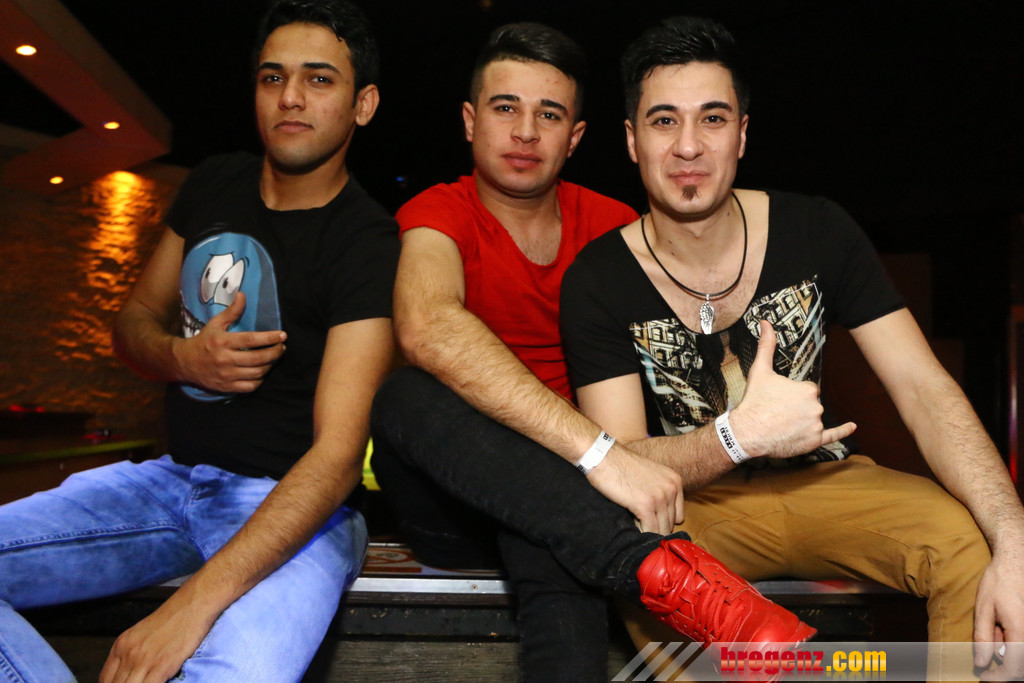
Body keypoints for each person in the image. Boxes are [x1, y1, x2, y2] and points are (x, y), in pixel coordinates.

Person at [559, 15, 1024, 680]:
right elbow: (623, 459)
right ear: (632, 140)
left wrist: (1015, 534)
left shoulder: (816, 229)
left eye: (713, 118)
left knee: (968, 546)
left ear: (742, 133)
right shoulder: (599, 277)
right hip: (696, 506)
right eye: (664, 121)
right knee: (637, 559)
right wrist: (737, 436)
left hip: (827, 483)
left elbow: (923, 387)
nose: (688, 145)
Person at [369, 22, 812, 683]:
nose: (526, 132)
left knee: (553, 535)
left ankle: (674, 580)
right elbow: (428, 326)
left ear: (575, 137)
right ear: (469, 121)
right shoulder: (439, 213)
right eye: (505, 108)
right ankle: (675, 577)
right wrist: (601, 456)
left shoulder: (614, 228)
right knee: (405, 396)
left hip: (573, 507)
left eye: (549, 114)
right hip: (456, 500)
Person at [0, 1, 399, 680]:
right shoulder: (215, 182)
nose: (290, 97)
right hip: (166, 481)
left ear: (363, 104)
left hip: (296, 510)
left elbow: (336, 458)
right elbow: (132, 324)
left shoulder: (369, 241)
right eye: (272, 77)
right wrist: (183, 358)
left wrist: (188, 608)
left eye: (318, 78)